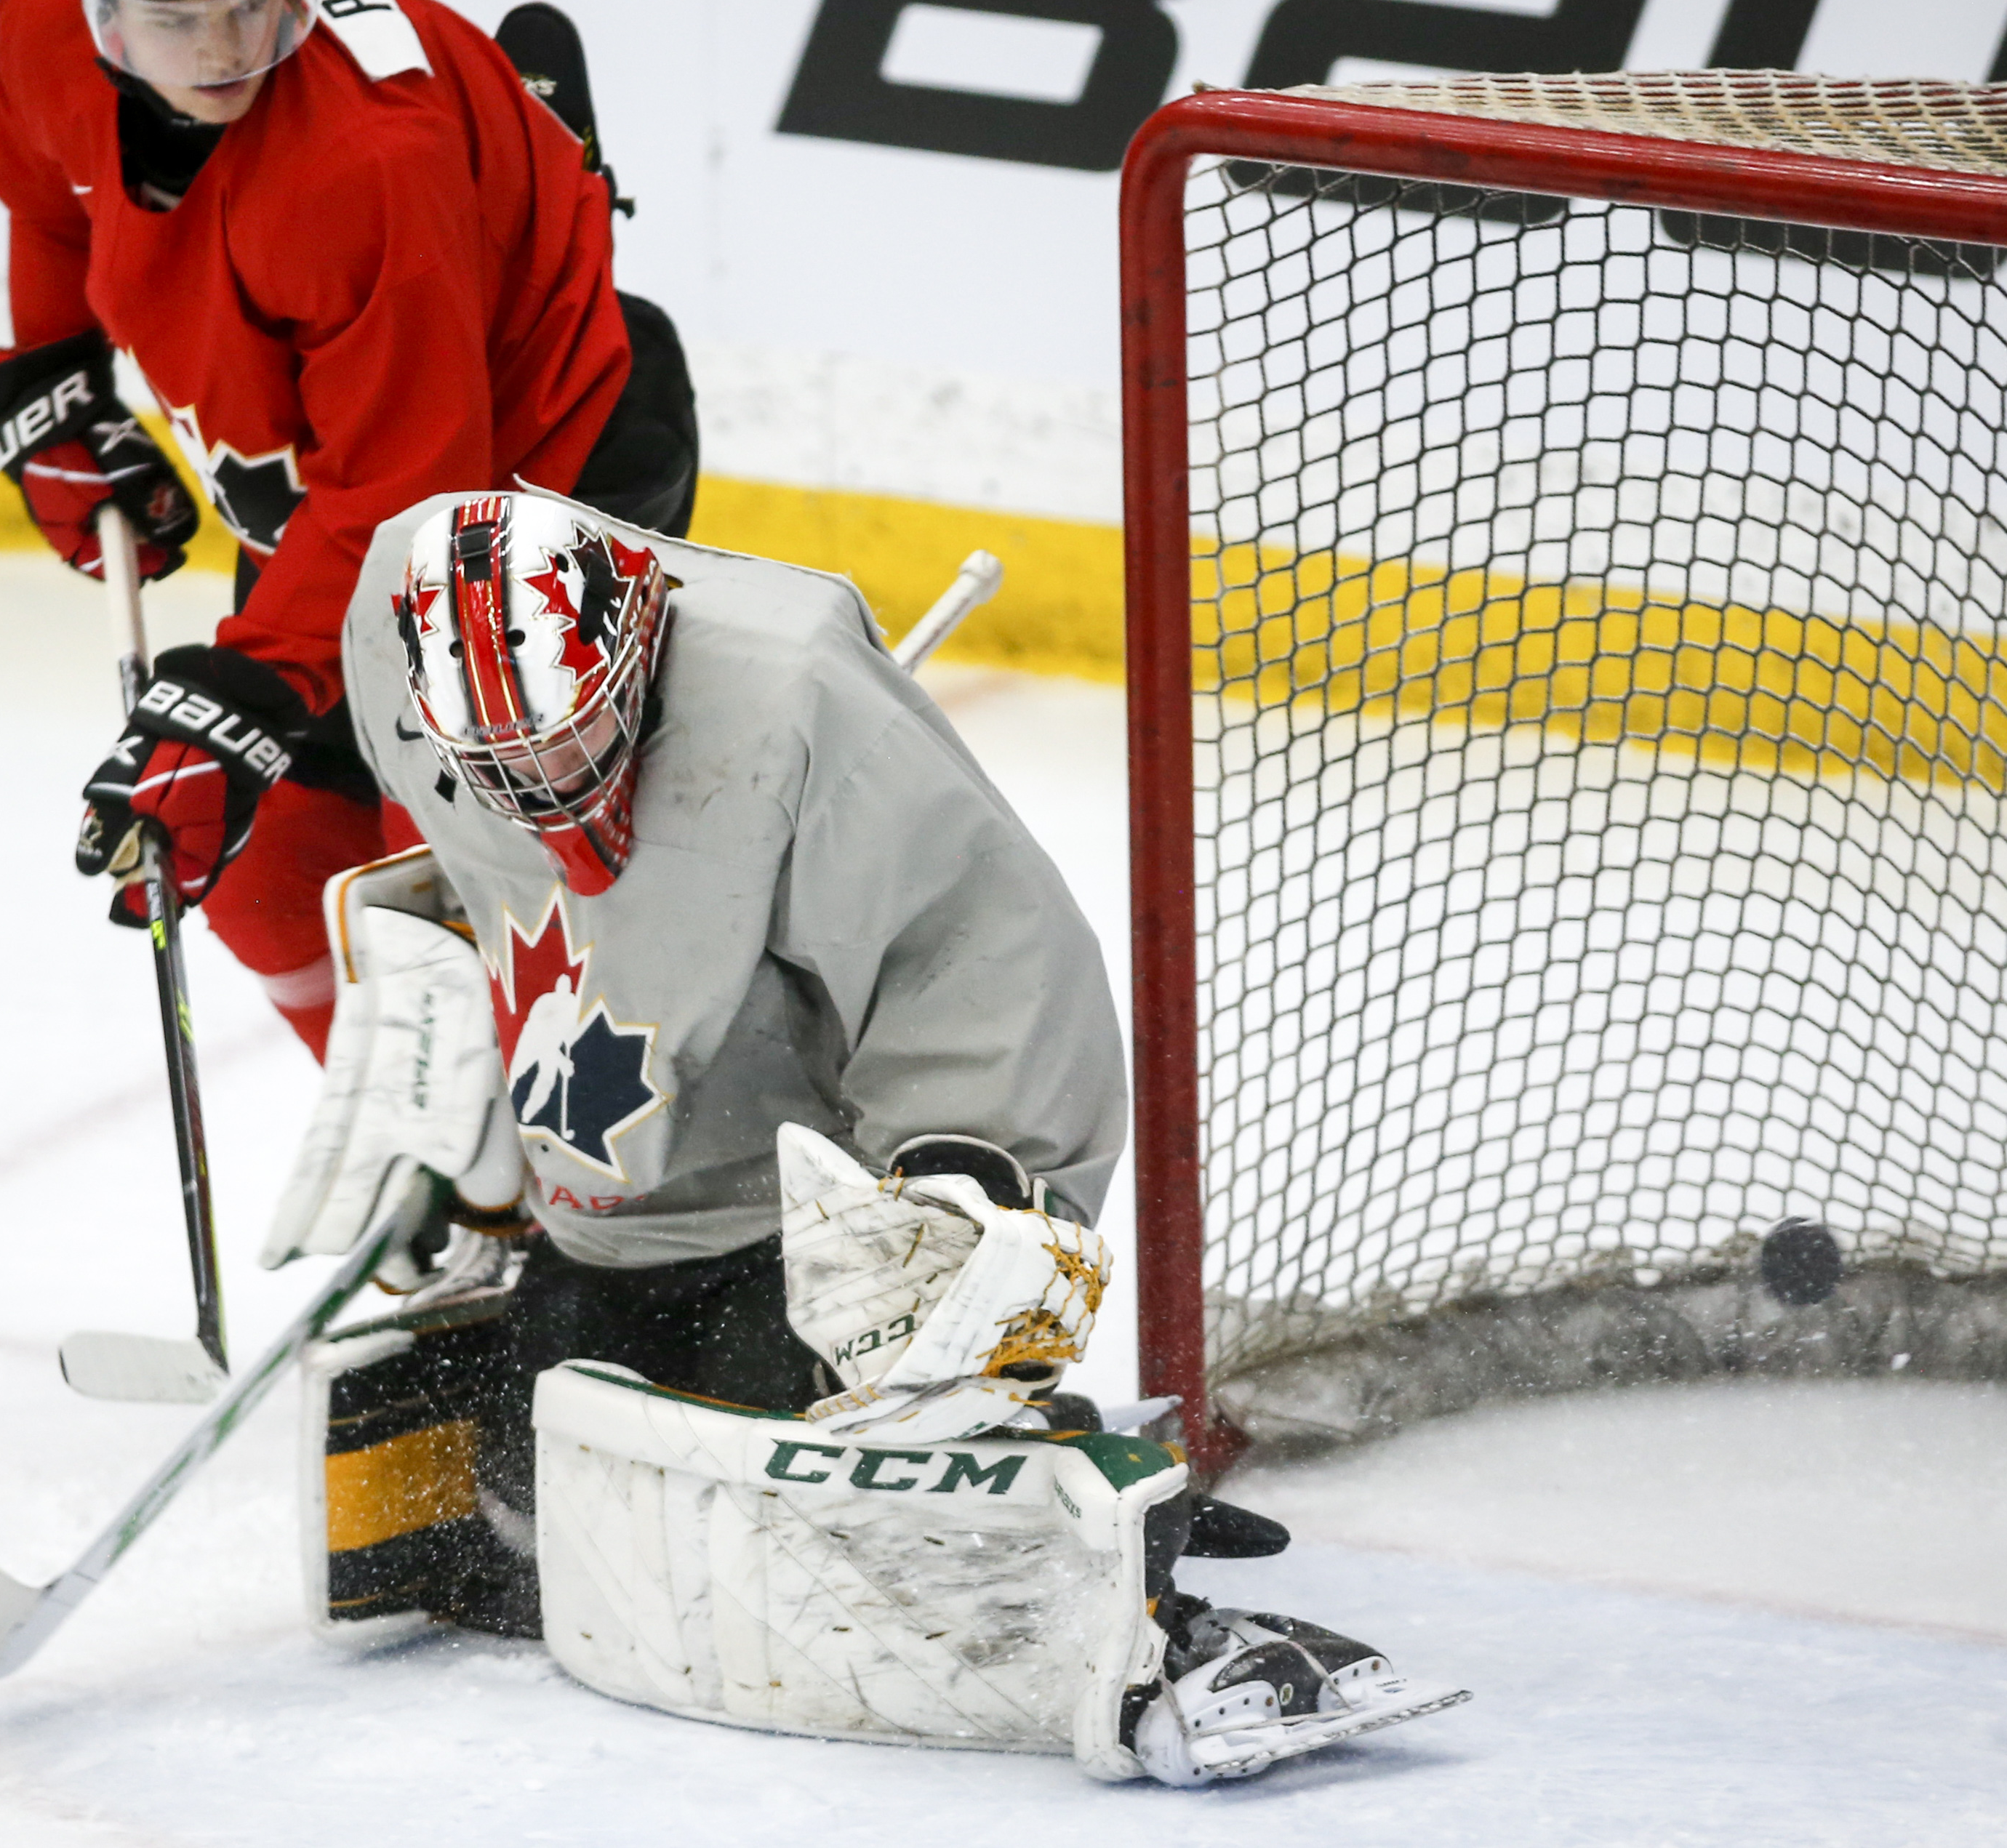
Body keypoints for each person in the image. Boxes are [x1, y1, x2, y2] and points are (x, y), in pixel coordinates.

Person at [239, 489, 1467, 1786]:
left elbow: (982, 961)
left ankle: (1132, 1584)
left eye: (571, 746)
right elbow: (467, 881)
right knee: (539, 1506)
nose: (543, 793)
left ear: (642, 638)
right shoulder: (397, 638)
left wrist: (950, 1195)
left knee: (827, 1506)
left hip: (796, 1188)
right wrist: (465, 1118)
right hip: (619, 1187)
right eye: (504, 770)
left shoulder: (800, 704)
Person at [0, 0, 696, 1057]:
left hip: (529, 462)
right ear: (96, 2)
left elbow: (417, 498)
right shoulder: (35, 18)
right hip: (329, 475)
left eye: (256, 2)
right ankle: (432, 1168)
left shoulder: (364, 160)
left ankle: (595, 1221)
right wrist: (52, 379)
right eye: (185, 22)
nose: (233, 49)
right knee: (260, 868)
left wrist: (238, 693)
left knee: (466, 901)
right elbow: (44, 191)